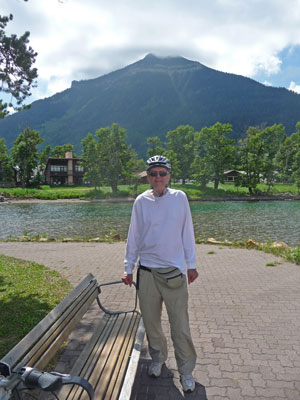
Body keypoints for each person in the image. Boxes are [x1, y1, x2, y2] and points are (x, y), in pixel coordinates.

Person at [122, 155, 198, 393]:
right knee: (152, 324)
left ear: (169, 176)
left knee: (180, 325)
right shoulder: (140, 202)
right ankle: (158, 359)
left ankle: (186, 371)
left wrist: (191, 264)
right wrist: (128, 268)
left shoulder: (180, 198)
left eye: (162, 173)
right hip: (146, 273)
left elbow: (187, 232)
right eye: (153, 173)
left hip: (173, 273)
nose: (157, 177)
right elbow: (133, 236)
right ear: (148, 176)